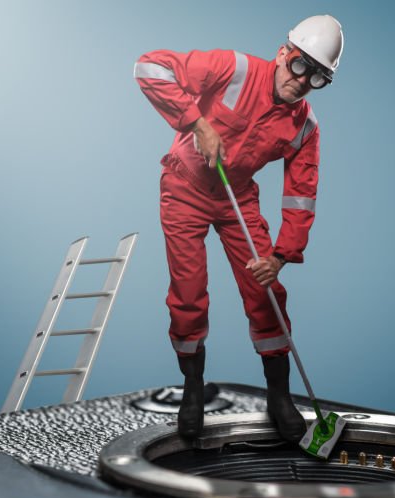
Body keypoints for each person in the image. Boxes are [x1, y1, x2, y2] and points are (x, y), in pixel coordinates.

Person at [134, 16, 343, 442]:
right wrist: (197, 123)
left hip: (238, 197)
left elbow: (301, 195)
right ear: (284, 53)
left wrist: (281, 255)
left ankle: (279, 395)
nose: (302, 82)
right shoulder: (235, 68)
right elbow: (149, 67)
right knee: (189, 293)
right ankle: (193, 390)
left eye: (317, 77)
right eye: (300, 66)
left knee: (266, 293)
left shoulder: (305, 126)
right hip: (184, 186)